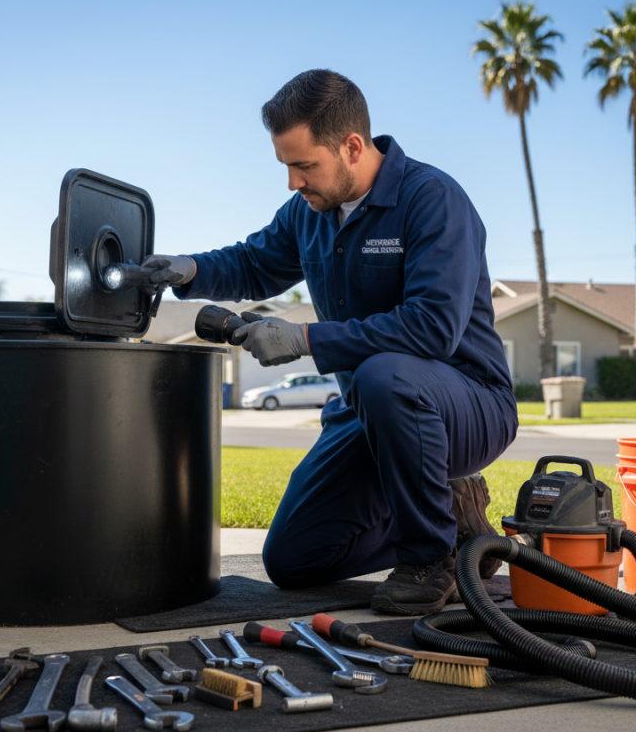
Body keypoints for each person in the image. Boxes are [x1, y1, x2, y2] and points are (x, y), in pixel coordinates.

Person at [136, 69, 518, 615]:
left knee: (383, 375)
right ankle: (457, 526)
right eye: (286, 166)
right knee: (294, 560)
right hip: (371, 411)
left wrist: (303, 338)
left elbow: (432, 327)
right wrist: (189, 269)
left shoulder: (432, 200)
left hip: (469, 404)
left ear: (352, 146)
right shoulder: (308, 213)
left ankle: (428, 559)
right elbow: (252, 262)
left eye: (303, 165)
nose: (293, 182)